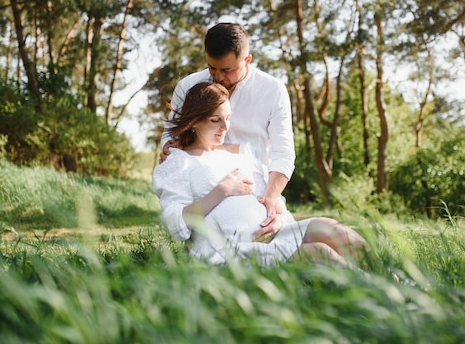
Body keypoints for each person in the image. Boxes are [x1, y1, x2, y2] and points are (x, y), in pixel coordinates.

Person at [152, 82, 370, 268]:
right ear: (194, 121)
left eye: (228, 118)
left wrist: (278, 215)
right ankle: (380, 296)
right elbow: (176, 226)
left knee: (329, 227)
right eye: (215, 120)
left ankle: (389, 276)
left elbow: (266, 196)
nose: (225, 127)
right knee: (319, 252)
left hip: (272, 235)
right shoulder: (178, 162)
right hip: (227, 251)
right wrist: (223, 190)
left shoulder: (239, 152)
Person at [159, 22, 293, 243]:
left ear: (247, 60)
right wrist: (169, 147)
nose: (218, 77)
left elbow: (283, 155)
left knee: (325, 235)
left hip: (260, 193)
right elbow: (172, 139)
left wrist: (271, 201)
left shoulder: (272, 90)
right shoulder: (189, 86)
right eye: (212, 68)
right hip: (204, 196)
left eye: (227, 70)